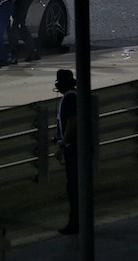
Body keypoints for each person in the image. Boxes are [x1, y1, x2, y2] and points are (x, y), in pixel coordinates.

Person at [54, 69, 79, 235]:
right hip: (79, 147)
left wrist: (62, 144)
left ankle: (75, 222)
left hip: (74, 148)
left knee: (74, 187)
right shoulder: (76, 95)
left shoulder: (70, 98)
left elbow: (72, 122)